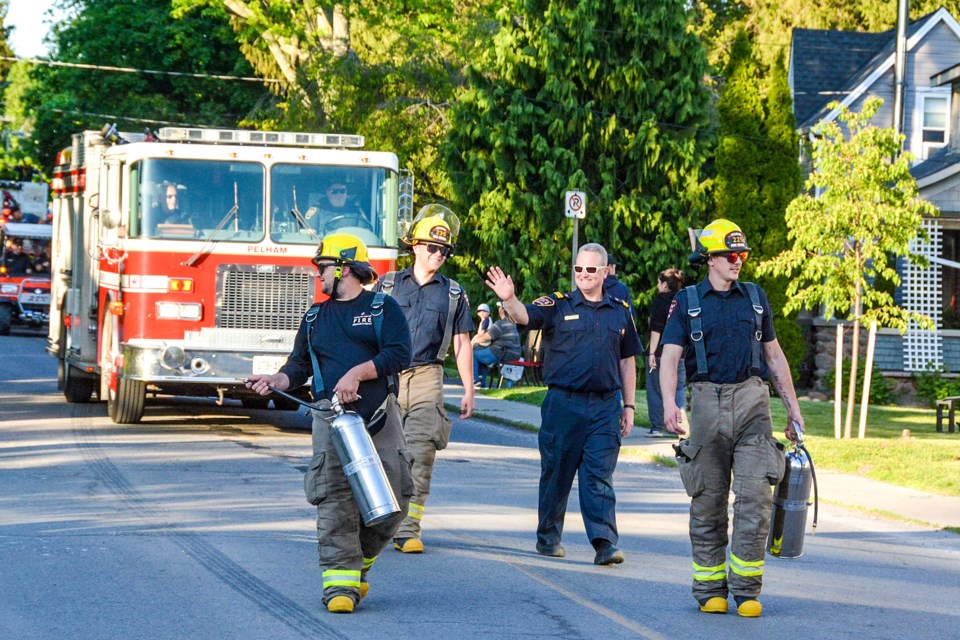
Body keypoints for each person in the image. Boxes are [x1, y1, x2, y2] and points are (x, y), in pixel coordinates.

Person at [245, 232, 414, 614]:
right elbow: (298, 367)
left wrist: (357, 373)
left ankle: (361, 563)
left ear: (344, 268)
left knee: (397, 499)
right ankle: (340, 583)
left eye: (322, 267)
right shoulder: (314, 317)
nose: (317, 275)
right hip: (331, 418)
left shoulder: (382, 309)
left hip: (379, 416)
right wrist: (276, 380)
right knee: (334, 497)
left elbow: (399, 353)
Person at [659, 219, 804, 618]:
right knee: (707, 500)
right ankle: (709, 589)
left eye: (742, 255)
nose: (738, 261)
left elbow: (774, 357)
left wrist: (793, 408)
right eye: (731, 255)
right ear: (709, 260)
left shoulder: (755, 298)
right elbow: (669, 356)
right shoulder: (687, 302)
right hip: (706, 404)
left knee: (756, 498)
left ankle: (747, 590)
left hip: (753, 404)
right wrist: (670, 403)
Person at [486, 243, 642, 565]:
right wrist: (509, 298)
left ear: (604, 272)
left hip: (604, 407)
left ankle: (605, 544)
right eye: (578, 269)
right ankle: (548, 536)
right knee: (557, 473)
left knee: (599, 476)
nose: (583, 275)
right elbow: (525, 316)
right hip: (563, 404)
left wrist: (629, 407)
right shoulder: (558, 304)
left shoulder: (620, 309)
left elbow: (627, 362)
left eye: (590, 270)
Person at [375, 203, 475, 554]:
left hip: (428, 376)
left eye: (444, 250)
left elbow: (462, 344)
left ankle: (408, 529)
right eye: (432, 248)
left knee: (421, 452)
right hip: (386, 377)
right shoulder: (387, 286)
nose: (439, 255)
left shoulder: (453, 294)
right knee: (384, 454)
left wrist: (468, 389)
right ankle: (378, 523)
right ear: (414, 246)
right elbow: (366, 333)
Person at [646, 268, 686, 437]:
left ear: (664, 284)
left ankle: (657, 427)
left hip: (662, 352)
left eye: (658, 282)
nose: (657, 285)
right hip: (681, 353)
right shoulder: (682, 301)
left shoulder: (660, 302)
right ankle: (679, 426)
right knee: (679, 388)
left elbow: (656, 329)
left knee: (655, 389)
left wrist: (651, 353)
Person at [472, 301, 522, 388]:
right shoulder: (512, 324)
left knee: (473, 353)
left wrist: (473, 341)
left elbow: (486, 337)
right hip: (512, 354)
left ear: (502, 310)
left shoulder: (501, 324)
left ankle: (475, 381)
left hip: (501, 353)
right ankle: (481, 384)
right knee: (482, 358)